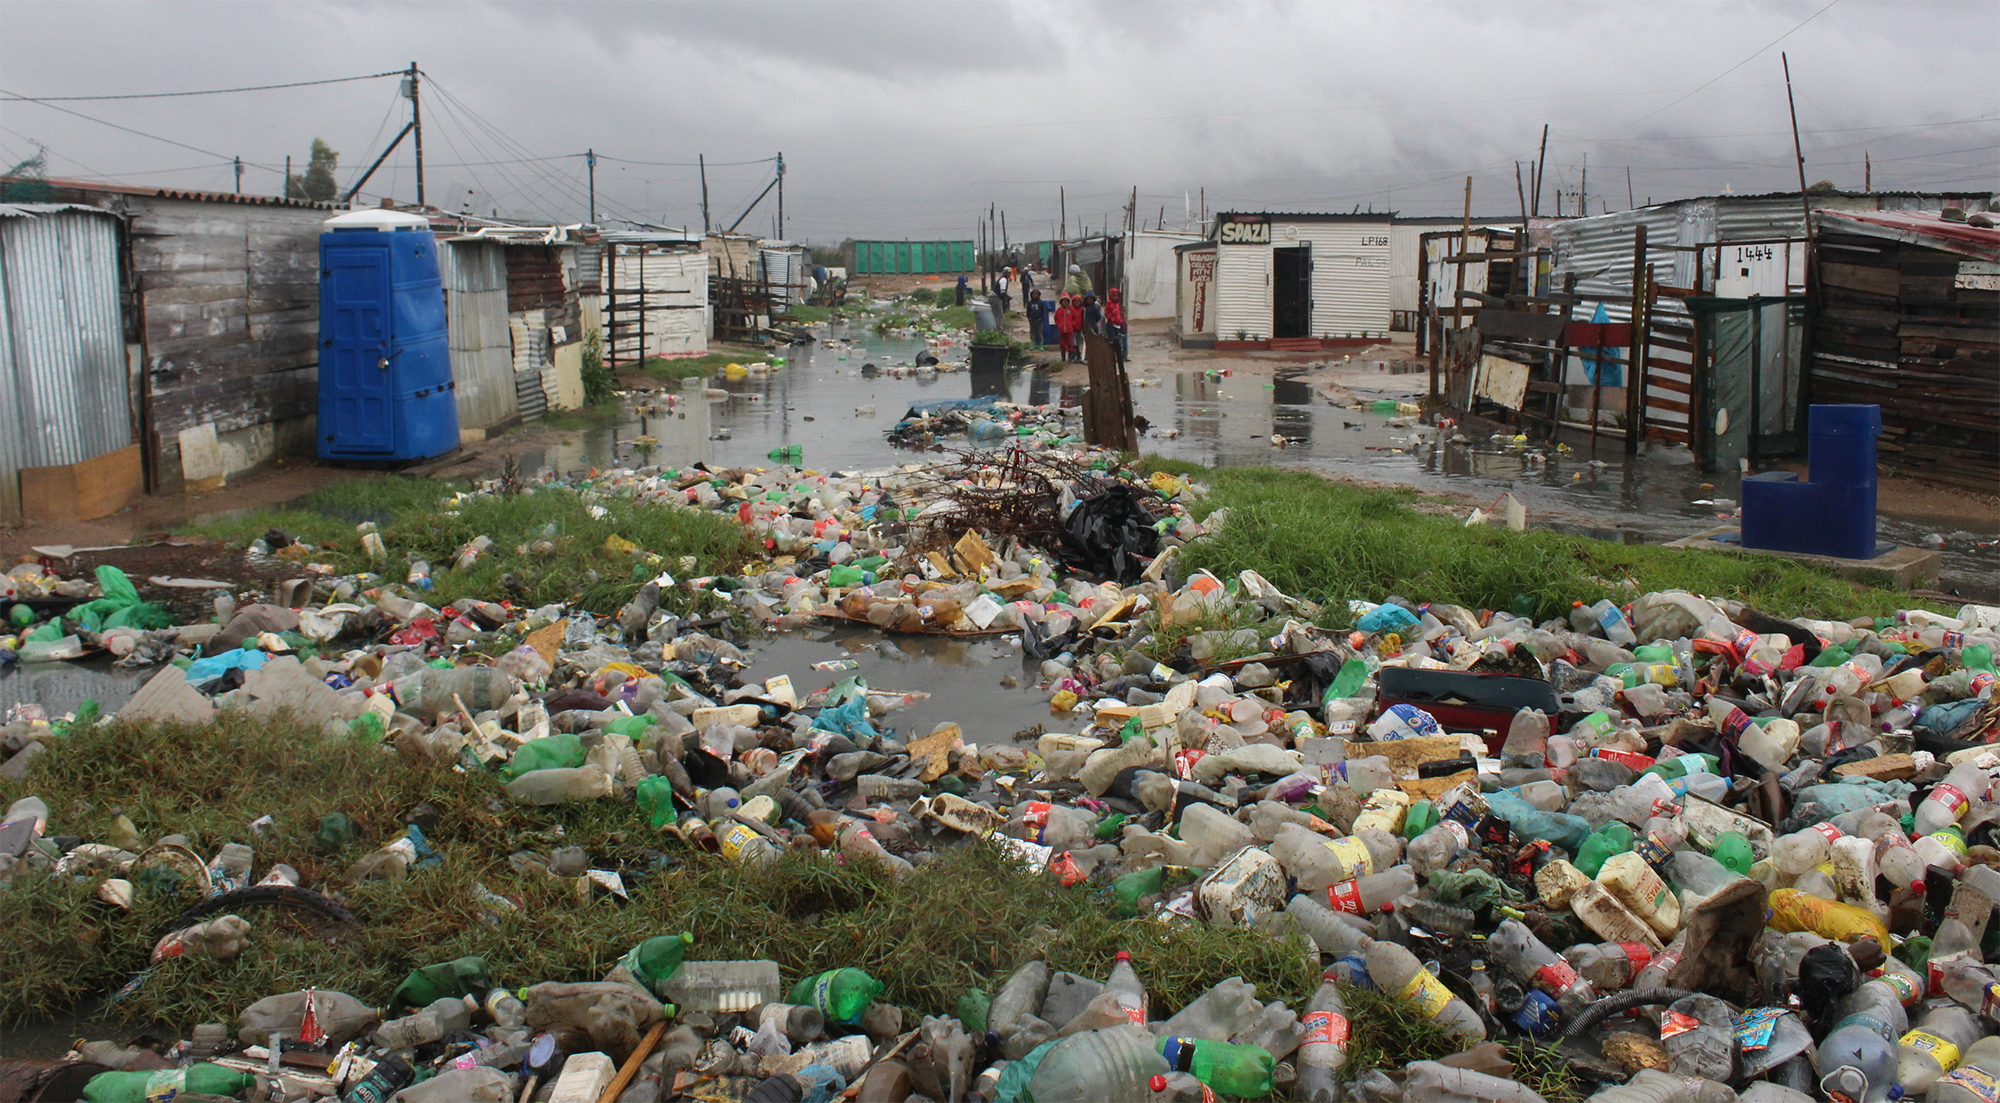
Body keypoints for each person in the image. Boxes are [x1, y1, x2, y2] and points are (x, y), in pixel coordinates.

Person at [1104, 286, 1128, 361]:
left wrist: (1120, 320)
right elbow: (1106, 313)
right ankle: (1112, 356)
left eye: (1116, 295)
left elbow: (1119, 313)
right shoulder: (1109, 303)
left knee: (1118, 342)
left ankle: (1119, 356)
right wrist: (1112, 319)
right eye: (1113, 295)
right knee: (1112, 341)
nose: (1115, 297)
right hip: (1111, 325)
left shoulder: (1118, 304)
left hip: (1118, 325)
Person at [1055, 294, 1080, 362]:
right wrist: (1058, 324)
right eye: (1063, 301)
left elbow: (1075, 317)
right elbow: (1056, 318)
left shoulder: (1071, 309)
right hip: (1061, 330)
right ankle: (1063, 358)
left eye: (1066, 301)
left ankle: (1070, 357)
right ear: (1061, 302)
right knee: (1062, 344)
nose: (1065, 303)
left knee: (1070, 343)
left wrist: (1072, 324)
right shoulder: (1059, 310)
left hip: (1069, 330)